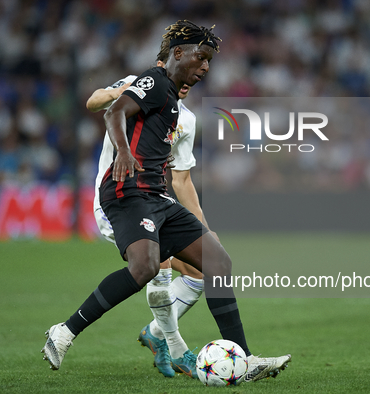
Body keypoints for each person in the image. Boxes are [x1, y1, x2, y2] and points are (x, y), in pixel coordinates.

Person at [41, 20, 291, 383]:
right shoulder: (153, 82)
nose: (206, 67)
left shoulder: (175, 103)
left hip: (156, 196)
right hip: (127, 190)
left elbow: (181, 176)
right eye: (201, 58)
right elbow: (110, 111)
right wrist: (124, 153)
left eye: (209, 61)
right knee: (146, 268)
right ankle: (65, 332)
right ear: (178, 53)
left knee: (217, 261)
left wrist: (201, 221)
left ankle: (244, 359)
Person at [85, 42, 209, 378]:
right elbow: (94, 101)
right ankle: (176, 347)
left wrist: (204, 232)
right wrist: (123, 91)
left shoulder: (187, 120)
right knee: (160, 265)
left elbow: (182, 181)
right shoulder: (137, 87)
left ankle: (154, 334)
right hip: (119, 199)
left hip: (155, 201)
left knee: (200, 272)